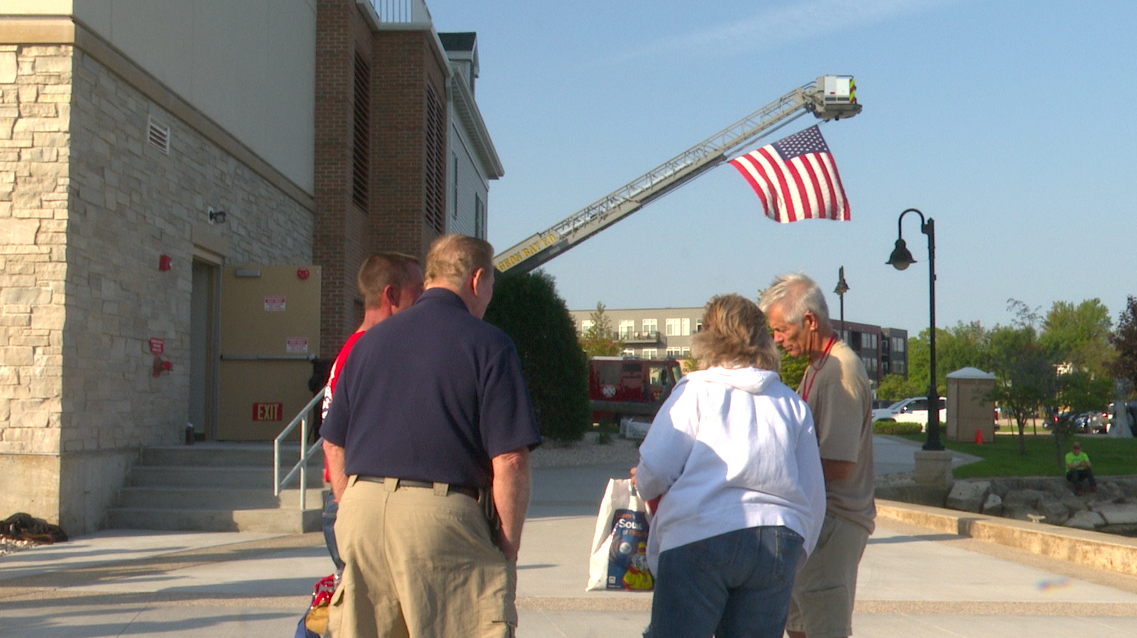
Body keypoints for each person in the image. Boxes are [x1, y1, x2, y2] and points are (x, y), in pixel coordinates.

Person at [321, 234, 542, 638]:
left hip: (360, 513)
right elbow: (510, 460)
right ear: (477, 281)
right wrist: (507, 549)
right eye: (491, 285)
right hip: (440, 521)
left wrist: (348, 503)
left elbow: (333, 442)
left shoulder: (367, 345)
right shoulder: (489, 345)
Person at [633, 293, 826, 638]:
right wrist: (796, 551)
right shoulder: (791, 404)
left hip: (700, 532)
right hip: (777, 537)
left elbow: (656, 468)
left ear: (707, 336)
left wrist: (643, 486)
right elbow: (813, 493)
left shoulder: (695, 391)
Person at [759, 273, 875, 638]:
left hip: (835, 523)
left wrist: (771, 473)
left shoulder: (840, 373)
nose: (776, 339)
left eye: (780, 330)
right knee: (798, 626)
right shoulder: (819, 366)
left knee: (824, 628)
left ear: (809, 321)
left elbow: (839, 465)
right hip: (815, 522)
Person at [319, 253, 424, 574]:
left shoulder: (360, 348)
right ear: (391, 295)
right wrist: (347, 508)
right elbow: (333, 443)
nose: (425, 299)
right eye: (418, 290)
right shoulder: (370, 352)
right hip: (356, 502)